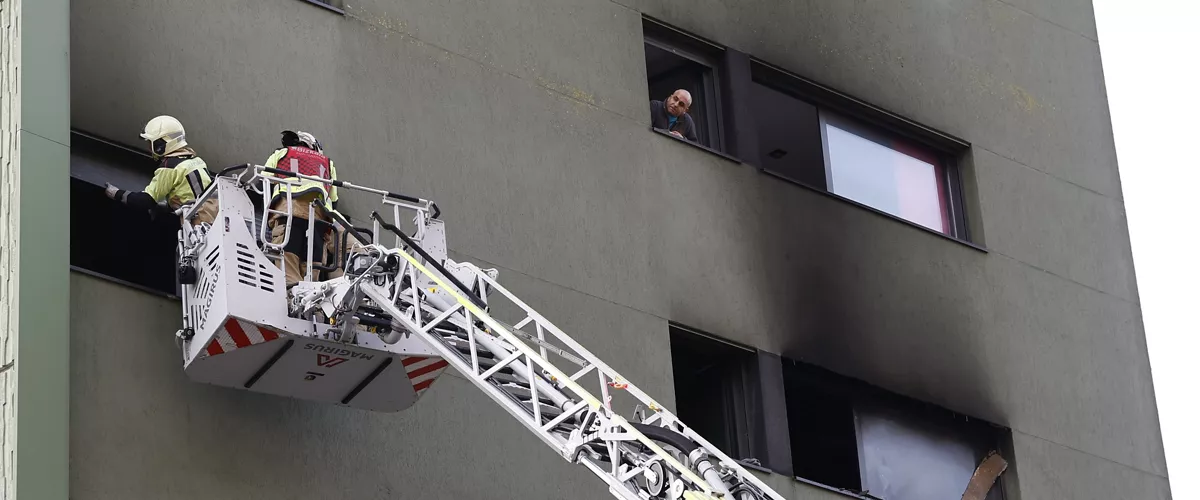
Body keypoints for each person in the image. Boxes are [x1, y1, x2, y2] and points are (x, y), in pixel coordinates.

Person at [104, 115, 218, 226]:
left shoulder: (169, 167)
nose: (149, 148)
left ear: (161, 144)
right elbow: (192, 195)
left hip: (198, 225)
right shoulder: (197, 161)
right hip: (216, 220)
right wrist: (167, 206)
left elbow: (145, 200)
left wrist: (116, 193)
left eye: (151, 143)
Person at [262, 130, 339, 288]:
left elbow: (264, 180)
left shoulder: (283, 153)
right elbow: (334, 200)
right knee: (312, 271)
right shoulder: (327, 163)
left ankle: (289, 299)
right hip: (318, 220)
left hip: (288, 213)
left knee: (287, 265)